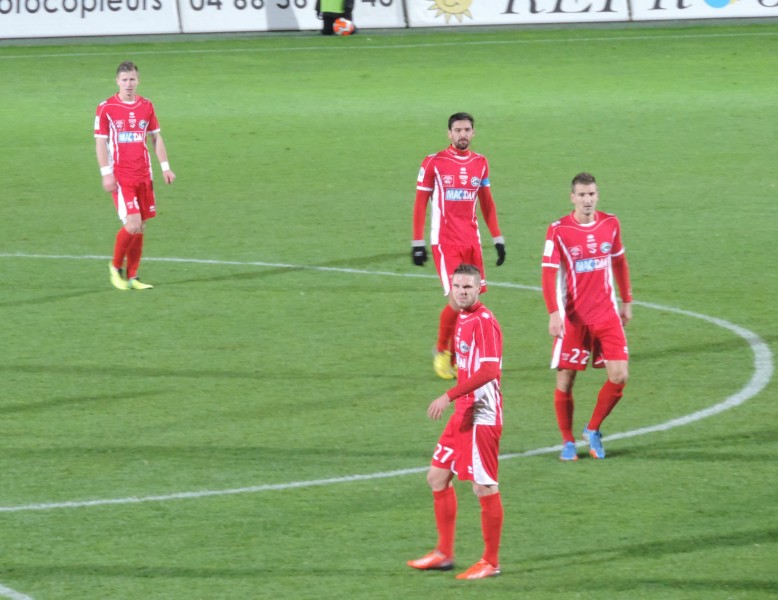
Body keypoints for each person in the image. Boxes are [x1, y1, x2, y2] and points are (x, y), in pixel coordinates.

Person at [407, 263, 504, 580]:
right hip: (463, 410)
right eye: (457, 286)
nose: (462, 292)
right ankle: (444, 554)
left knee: (484, 486)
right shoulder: (461, 317)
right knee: (437, 477)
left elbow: (489, 371)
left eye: (468, 287)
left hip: (481, 412)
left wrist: (447, 395)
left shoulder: (485, 322)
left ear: (480, 288)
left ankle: (490, 562)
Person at [541, 172, 633, 461]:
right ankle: (568, 441)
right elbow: (548, 273)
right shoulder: (558, 230)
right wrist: (554, 313)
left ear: (597, 195)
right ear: (572, 198)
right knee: (566, 380)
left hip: (607, 316)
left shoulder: (610, 223)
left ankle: (592, 429)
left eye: (592, 194)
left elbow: (619, 261)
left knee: (619, 376)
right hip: (574, 319)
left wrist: (626, 300)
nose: (587, 199)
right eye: (582, 194)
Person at [412, 112, 506, 380]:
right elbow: (420, 202)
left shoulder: (481, 163)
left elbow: (487, 202)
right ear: (449, 134)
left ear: (473, 133)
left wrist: (497, 238)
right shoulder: (434, 163)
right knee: (459, 299)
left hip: (472, 241)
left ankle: (457, 355)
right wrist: (417, 241)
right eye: (457, 130)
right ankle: (443, 352)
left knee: (470, 300)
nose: (462, 134)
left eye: (467, 130)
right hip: (445, 242)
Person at [95, 61, 176, 291]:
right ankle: (114, 268)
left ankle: (133, 277)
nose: (128, 84)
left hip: (144, 174)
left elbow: (156, 137)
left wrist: (165, 167)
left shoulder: (147, 106)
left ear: (138, 80)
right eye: (124, 80)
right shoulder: (106, 107)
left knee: (140, 227)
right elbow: (100, 142)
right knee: (133, 223)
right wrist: (106, 173)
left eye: (132, 79)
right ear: (117, 81)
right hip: (121, 177)